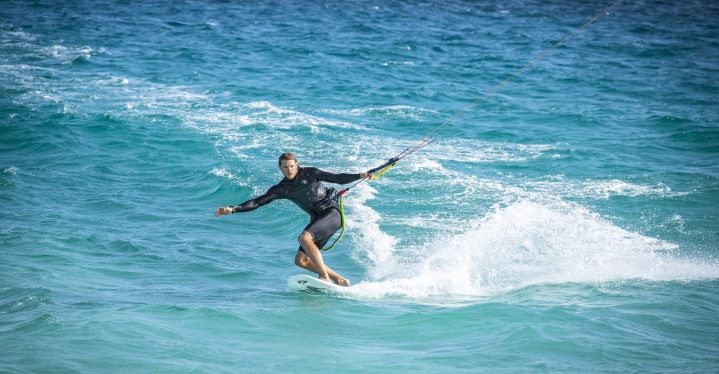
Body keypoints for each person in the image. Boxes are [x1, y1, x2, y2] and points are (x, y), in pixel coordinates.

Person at [215, 152, 371, 286]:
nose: (289, 169)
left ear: (297, 165)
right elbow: (257, 202)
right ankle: (340, 280)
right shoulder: (282, 188)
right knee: (301, 260)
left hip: (331, 213)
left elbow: (337, 178)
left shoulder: (311, 173)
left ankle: (324, 277)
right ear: (280, 169)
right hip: (318, 219)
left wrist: (360, 175)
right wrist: (233, 209)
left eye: (291, 166)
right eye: (285, 167)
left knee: (304, 237)